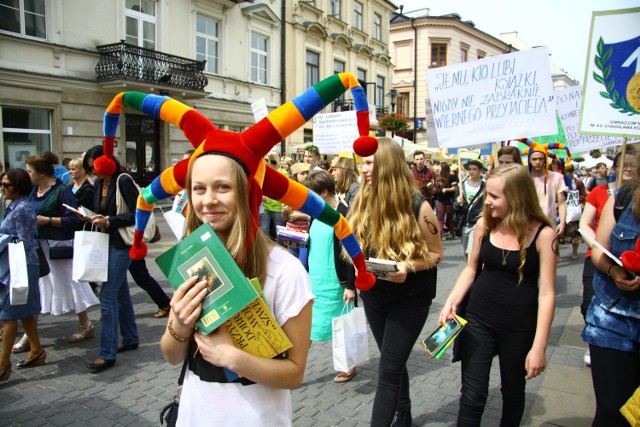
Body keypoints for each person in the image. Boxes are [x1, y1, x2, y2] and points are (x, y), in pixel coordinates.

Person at [112, 73, 379, 426]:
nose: (208, 200)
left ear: (246, 191)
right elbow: (173, 356)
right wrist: (178, 323)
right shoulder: (193, 258)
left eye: (222, 187)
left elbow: (294, 373)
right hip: (194, 413)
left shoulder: (285, 271)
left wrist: (231, 356)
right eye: (199, 188)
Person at [439, 163, 557, 426]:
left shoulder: (543, 234)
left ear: (516, 197)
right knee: (472, 396)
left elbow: (547, 294)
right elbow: (470, 269)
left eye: (494, 196)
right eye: (487, 195)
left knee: (513, 393)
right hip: (478, 319)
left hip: (519, 327)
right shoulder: (484, 225)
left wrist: (539, 346)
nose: (487, 201)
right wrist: (451, 302)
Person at [348, 137, 442, 426]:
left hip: (410, 299)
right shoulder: (360, 198)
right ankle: (404, 411)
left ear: (387, 166)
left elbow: (436, 254)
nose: (363, 170)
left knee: (387, 371)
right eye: (362, 163)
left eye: (368, 164)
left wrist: (408, 266)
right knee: (393, 360)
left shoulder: (419, 205)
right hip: (375, 297)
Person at [582, 151, 640, 426]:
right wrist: (615, 270)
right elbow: (599, 251)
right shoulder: (621, 199)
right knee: (612, 411)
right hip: (613, 318)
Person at [22, 151, 98, 351]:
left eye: (30, 171)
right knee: (39, 286)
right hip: (39, 247)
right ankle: (28, 334)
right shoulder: (33, 191)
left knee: (70, 283)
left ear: (41, 173)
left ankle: (85, 323)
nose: (27, 175)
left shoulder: (62, 191)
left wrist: (46, 220)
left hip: (59, 246)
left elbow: (73, 220)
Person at [83, 145, 139, 371]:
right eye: (90, 169)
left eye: (94, 168)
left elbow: (139, 212)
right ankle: (130, 337)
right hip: (105, 242)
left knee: (107, 296)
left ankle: (107, 354)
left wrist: (110, 221)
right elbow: (101, 209)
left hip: (123, 243)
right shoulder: (98, 183)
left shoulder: (122, 180)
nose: (93, 173)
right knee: (121, 292)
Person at [304, 170, 358, 382]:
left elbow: (350, 253)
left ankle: (348, 364)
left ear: (324, 192)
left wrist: (350, 285)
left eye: (312, 194)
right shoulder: (317, 212)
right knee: (308, 323)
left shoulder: (344, 214)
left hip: (336, 281)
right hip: (315, 279)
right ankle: (293, 364)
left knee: (341, 324)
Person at [0, 169, 45, 380]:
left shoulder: (23, 208)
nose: (2, 187)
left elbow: (26, 242)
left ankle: (3, 365)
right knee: (26, 313)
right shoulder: (13, 205)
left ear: (18, 186)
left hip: (22, 267)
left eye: (6, 184)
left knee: (8, 316)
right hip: (15, 265)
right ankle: (37, 350)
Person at [527, 145, 567, 237]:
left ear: (545, 160)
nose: (538, 162)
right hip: (528, 226)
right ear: (529, 160)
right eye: (534, 159)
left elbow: (561, 203)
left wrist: (562, 223)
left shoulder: (557, 177)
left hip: (549, 225)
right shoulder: (524, 178)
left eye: (541, 159)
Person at [454, 159, 486, 262]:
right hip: (463, 222)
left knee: (471, 250)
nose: (471, 171)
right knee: (465, 250)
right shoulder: (462, 186)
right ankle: (470, 268)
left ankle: (471, 272)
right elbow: (455, 206)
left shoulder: (485, 186)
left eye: (474, 169)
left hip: (476, 222)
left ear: (481, 171)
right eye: (470, 169)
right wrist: (458, 203)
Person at [562, 163, 587, 260]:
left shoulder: (578, 182)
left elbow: (583, 194)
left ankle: (575, 252)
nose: (567, 174)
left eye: (569, 172)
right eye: (566, 172)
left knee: (575, 231)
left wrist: (577, 199)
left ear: (572, 172)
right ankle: (557, 253)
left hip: (574, 210)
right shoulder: (561, 181)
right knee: (561, 231)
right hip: (563, 208)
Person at [434, 161, 459, 240]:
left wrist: (447, 189)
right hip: (440, 199)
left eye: (440, 167)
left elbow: (455, 187)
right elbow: (436, 188)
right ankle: (439, 235)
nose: (439, 168)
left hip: (449, 200)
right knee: (440, 218)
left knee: (449, 218)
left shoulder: (451, 177)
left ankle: (452, 233)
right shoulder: (438, 177)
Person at [172, 149, 196, 215]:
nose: (184, 164)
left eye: (186, 161)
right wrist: (179, 202)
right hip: (185, 217)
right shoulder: (183, 178)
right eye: (183, 161)